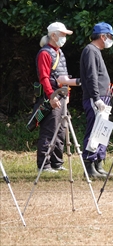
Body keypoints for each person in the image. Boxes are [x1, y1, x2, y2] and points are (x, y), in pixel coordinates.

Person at [80, 22, 113, 178]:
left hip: (104, 96)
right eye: (109, 36)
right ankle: (89, 167)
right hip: (95, 98)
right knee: (93, 131)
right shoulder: (90, 51)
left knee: (103, 131)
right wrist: (96, 98)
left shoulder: (96, 51)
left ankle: (99, 163)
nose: (110, 40)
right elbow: (91, 76)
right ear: (103, 36)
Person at [36, 22, 74, 173]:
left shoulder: (59, 52)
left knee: (61, 130)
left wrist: (68, 94)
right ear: (53, 35)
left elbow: (64, 76)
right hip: (52, 97)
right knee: (49, 129)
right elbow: (44, 77)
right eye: (62, 34)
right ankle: (44, 165)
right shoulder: (45, 53)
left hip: (62, 96)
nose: (64, 37)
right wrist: (52, 96)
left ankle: (57, 162)